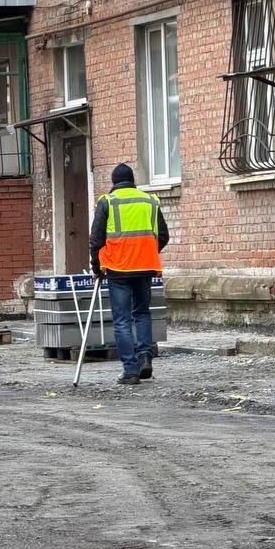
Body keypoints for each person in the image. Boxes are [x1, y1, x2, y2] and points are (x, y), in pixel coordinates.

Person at [89, 163, 170, 386]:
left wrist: (97, 268)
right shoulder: (150, 200)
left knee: (122, 320)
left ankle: (131, 371)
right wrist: (147, 253)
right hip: (145, 267)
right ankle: (145, 356)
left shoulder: (107, 201)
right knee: (142, 313)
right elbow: (163, 235)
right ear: (133, 180)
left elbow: (96, 240)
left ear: (114, 182)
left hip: (118, 269)